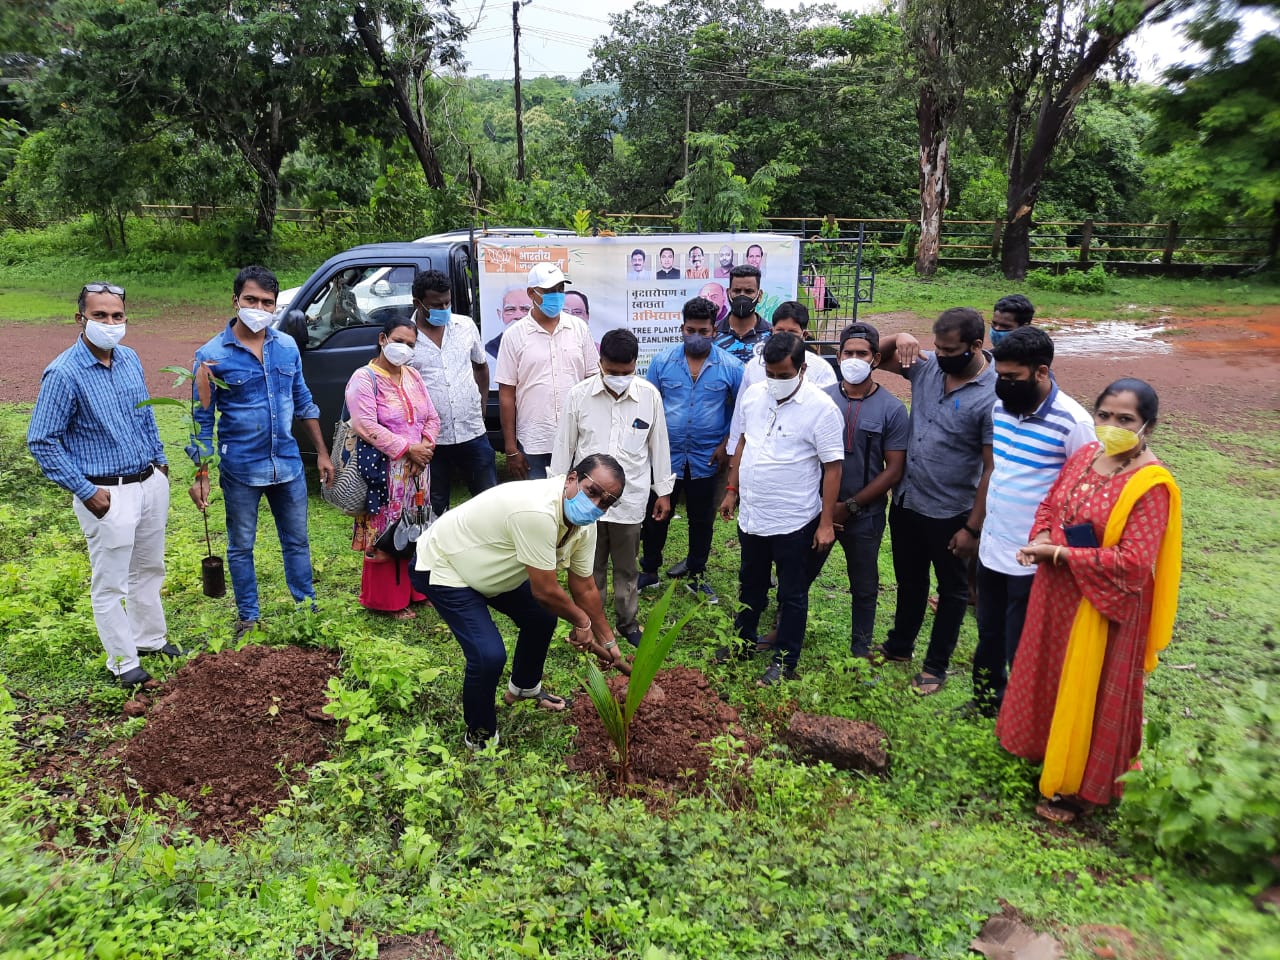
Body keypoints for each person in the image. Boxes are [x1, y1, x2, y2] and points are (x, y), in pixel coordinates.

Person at [997, 378, 1181, 823]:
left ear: (1147, 427)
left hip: (1102, 608)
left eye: (1125, 420)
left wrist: (1059, 553)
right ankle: (1047, 751)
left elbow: (1135, 563)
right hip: (1056, 592)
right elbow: (1050, 505)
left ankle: (1079, 787)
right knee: (1050, 672)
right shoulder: (1084, 456)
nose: (1111, 425)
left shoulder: (1151, 485)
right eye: (1104, 415)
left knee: (1089, 689)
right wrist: (1041, 533)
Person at [411, 454, 628, 748]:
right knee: (488, 656)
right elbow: (545, 591)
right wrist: (581, 621)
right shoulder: (536, 511)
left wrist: (609, 643)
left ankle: (524, 689)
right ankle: (480, 735)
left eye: (607, 502)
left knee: (540, 618)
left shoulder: (584, 525)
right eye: (593, 492)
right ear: (572, 478)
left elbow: (585, 586)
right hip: (446, 564)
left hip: (491, 567)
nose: (596, 505)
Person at [28, 282, 178, 688]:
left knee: (149, 568)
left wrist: (160, 462)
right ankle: (123, 661)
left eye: (117, 316)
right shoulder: (64, 373)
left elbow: (145, 415)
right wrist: (84, 490)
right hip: (105, 493)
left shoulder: (129, 358)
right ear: (81, 319)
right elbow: (42, 440)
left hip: (147, 481)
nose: (110, 323)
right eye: (100, 316)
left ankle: (150, 639)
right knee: (110, 581)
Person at [188, 266, 335, 639]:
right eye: (251, 300)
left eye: (267, 302)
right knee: (241, 546)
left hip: (287, 464)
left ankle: (307, 607)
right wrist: (201, 474)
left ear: (275, 306)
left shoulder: (286, 347)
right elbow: (202, 420)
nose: (259, 307)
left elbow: (303, 400)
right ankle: (248, 616)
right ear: (235, 300)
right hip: (241, 469)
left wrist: (321, 452)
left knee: (297, 541)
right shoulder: (210, 356)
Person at [970, 326, 1094, 715]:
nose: (1003, 385)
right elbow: (996, 470)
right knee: (987, 631)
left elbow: (1084, 495)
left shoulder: (1074, 423)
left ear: (1041, 372)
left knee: (1021, 641)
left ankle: (1023, 714)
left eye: (1012, 378)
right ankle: (987, 701)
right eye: (999, 376)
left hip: (1031, 556)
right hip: (992, 544)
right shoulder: (1000, 408)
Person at [874, 308, 996, 695]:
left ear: (976, 346)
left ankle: (936, 665)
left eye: (950, 349)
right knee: (910, 581)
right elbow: (866, 354)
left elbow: (992, 469)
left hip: (952, 511)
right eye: (937, 347)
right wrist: (900, 335)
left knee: (953, 590)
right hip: (908, 500)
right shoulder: (928, 370)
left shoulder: (993, 395)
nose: (941, 355)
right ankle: (899, 646)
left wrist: (972, 528)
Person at [718, 332, 843, 685]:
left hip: (794, 519)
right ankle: (743, 642)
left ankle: (785, 660)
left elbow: (833, 467)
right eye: (770, 374)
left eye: (784, 375)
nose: (775, 382)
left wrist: (826, 523)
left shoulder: (822, 408)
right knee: (750, 583)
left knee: (792, 592)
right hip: (753, 515)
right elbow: (743, 441)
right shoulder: (755, 396)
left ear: (802, 369)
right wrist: (732, 490)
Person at [552, 329, 674, 646]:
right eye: (612, 371)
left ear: (635, 364)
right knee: (588, 569)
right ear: (600, 362)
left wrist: (662, 491)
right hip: (586, 502)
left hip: (630, 500)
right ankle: (590, 624)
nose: (619, 377)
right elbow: (564, 444)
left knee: (626, 568)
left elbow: (659, 445)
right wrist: (556, 490)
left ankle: (627, 623)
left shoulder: (649, 396)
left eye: (626, 372)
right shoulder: (579, 396)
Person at [639, 296, 744, 603]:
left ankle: (696, 575)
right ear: (681, 327)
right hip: (665, 454)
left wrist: (726, 444)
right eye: (690, 330)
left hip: (708, 456)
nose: (696, 336)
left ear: (715, 330)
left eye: (703, 331)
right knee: (656, 514)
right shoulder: (662, 362)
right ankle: (649, 570)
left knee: (701, 519)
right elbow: (649, 406)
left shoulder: (731, 367)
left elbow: (741, 412)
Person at [822, 322, 909, 657]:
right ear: (839, 355)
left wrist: (851, 506)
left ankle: (860, 649)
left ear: (875, 359)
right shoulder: (822, 399)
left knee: (864, 584)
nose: (854, 359)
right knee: (800, 574)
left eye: (862, 353)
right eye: (848, 353)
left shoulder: (892, 409)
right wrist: (826, 508)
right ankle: (784, 632)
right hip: (819, 510)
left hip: (865, 516)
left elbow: (894, 469)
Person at [346, 316, 441, 619]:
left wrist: (424, 447)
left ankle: (415, 589)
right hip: (384, 472)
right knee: (386, 531)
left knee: (416, 524)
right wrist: (406, 449)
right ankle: (386, 601)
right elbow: (364, 424)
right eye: (399, 341)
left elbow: (432, 417)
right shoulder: (363, 378)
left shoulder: (412, 375)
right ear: (382, 338)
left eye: (410, 344)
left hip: (417, 470)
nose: (404, 348)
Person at [496, 262, 599, 481]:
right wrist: (511, 448)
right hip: (534, 441)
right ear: (531, 293)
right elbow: (506, 394)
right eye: (549, 291)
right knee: (538, 508)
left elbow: (592, 379)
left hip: (576, 436)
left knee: (575, 503)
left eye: (560, 290)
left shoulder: (579, 328)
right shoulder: (514, 335)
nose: (557, 296)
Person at [408, 269, 496, 518]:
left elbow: (480, 366)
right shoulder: (407, 337)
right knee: (433, 506)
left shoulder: (465, 326)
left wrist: (481, 407)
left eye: (447, 302)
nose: (444, 308)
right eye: (437, 304)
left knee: (488, 499)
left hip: (472, 432)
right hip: (430, 440)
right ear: (418, 303)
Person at [714, 264, 772, 364]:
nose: (742, 296)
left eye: (749, 291)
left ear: (760, 295)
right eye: (737, 291)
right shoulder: (712, 333)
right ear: (728, 293)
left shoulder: (771, 334)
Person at [485, 286, 534, 359]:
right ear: (500, 314)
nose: (518, 316)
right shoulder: (491, 349)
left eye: (525, 309)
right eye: (510, 309)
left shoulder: (542, 342)